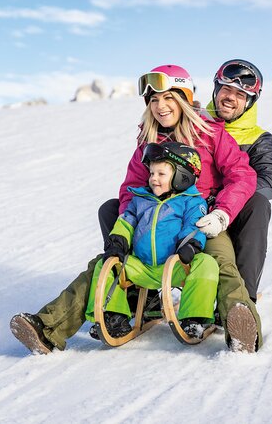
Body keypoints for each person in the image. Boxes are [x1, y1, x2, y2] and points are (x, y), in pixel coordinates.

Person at [11, 64, 261, 355]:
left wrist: (221, 213)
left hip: (198, 220)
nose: (160, 106)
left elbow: (242, 175)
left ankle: (242, 331)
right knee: (102, 265)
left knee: (220, 261)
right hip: (153, 220)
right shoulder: (147, 143)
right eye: (154, 100)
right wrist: (126, 230)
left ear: (182, 98)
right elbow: (130, 189)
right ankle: (47, 328)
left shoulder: (210, 134)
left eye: (168, 98)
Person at [85, 142, 219, 340]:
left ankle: (194, 319)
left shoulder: (191, 201)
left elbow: (193, 226)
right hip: (142, 267)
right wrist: (118, 242)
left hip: (176, 266)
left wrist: (190, 245)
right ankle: (112, 316)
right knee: (106, 264)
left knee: (207, 264)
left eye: (161, 174)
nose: (153, 179)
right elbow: (126, 221)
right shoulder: (141, 199)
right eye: (152, 173)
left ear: (182, 176)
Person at [203, 59, 272, 304]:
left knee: (258, 204)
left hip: (233, 216)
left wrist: (225, 200)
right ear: (216, 90)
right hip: (190, 205)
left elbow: (271, 180)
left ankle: (242, 301)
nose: (230, 97)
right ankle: (140, 295)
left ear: (249, 101)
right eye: (226, 89)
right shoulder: (195, 125)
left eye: (239, 94)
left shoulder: (257, 138)